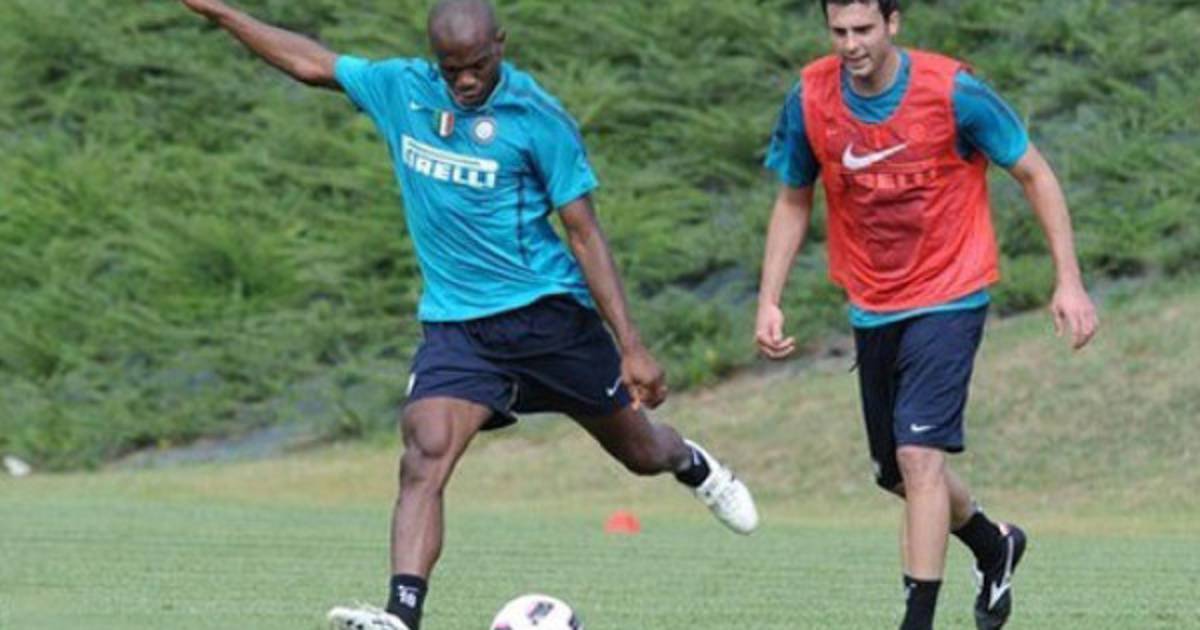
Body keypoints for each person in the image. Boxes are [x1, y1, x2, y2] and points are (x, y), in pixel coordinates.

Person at [178, 1, 760, 629]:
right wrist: (221, 12)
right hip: (460, 329)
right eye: (450, 68)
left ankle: (694, 465)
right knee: (423, 453)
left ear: (500, 45)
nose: (464, 80)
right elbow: (311, 62)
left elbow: (584, 234)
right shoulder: (403, 90)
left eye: (477, 65)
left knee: (642, 452)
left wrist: (632, 345)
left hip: (549, 319)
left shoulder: (537, 118)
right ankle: (401, 616)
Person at [755, 1, 1098, 629]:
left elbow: (1035, 174)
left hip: (950, 293)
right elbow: (793, 197)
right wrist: (769, 297)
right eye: (839, 31)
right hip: (872, 303)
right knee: (897, 473)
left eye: (864, 29)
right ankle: (994, 545)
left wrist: (1069, 281)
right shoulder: (811, 98)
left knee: (919, 458)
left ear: (893, 23)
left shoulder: (952, 92)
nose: (851, 44)